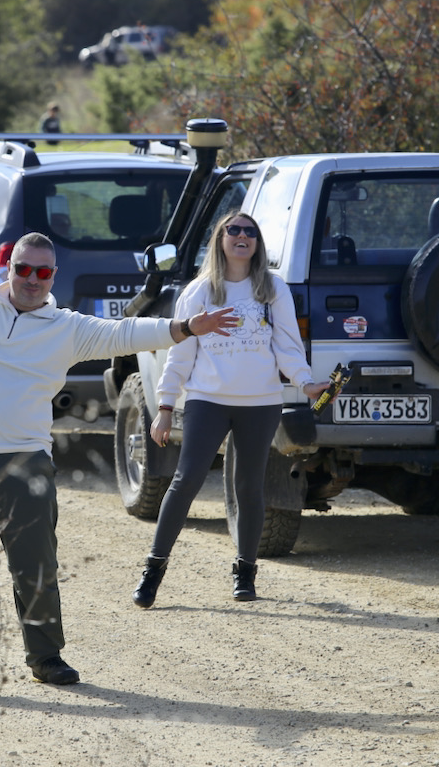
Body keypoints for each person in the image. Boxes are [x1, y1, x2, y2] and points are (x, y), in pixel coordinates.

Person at [0, 169, 238, 702]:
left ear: (54, 277)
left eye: (44, 272)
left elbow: (126, 332)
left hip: (25, 461)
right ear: (7, 268)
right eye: (24, 269)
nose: (33, 279)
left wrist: (186, 328)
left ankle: (46, 659)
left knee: (35, 566)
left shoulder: (67, 328)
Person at [132, 212, 329, 608]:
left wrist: (306, 383)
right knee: (185, 481)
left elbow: (288, 346)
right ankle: (153, 571)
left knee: (249, 487)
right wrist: (166, 406)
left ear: (257, 243)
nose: (242, 236)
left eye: (250, 232)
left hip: (260, 403)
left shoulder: (273, 288)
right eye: (233, 230)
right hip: (208, 400)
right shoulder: (199, 292)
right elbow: (180, 353)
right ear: (220, 239)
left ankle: (245, 572)